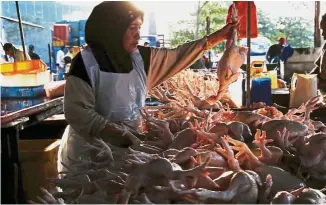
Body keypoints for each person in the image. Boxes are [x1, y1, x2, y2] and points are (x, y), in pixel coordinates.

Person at [57, 1, 239, 174]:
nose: (138, 35)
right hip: (90, 153)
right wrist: (116, 133)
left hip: (130, 148)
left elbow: (179, 55)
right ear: (112, 29)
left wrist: (220, 36)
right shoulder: (85, 63)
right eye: (132, 28)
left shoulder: (141, 59)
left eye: (139, 28)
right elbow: (78, 112)